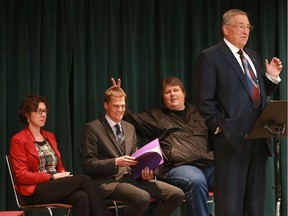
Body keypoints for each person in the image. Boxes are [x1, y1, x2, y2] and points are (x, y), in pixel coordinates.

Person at [195, 9, 282, 216]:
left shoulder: (252, 55)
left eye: (248, 27)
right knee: (231, 205)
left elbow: (254, 94)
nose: (246, 31)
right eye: (240, 26)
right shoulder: (210, 57)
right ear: (226, 29)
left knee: (254, 202)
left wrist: (270, 78)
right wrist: (221, 129)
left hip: (259, 138)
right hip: (231, 141)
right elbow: (204, 101)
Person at [112, 76, 215, 216]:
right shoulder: (157, 117)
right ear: (163, 97)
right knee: (196, 181)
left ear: (183, 93)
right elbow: (130, 118)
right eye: (168, 92)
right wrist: (118, 99)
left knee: (232, 176)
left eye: (175, 90)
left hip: (208, 166)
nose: (172, 94)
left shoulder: (200, 114)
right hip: (179, 168)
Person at [81, 86, 184, 216]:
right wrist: (115, 162)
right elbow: (88, 165)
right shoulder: (92, 128)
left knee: (177, 195)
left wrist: (144, 170)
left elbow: (135, 157)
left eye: (123, 106)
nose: (120, 110)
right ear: (106, 105)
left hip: (132, 179)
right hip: (109, 182)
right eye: (116, 106)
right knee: (142, 197)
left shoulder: (129, 127)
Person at [10, 96, 111, 216]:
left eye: (45, 111)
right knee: (85, 180)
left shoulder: (49, 136)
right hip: (35, 191)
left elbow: (59, 165)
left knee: (81, 196)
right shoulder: (18, 140)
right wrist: (52, 177)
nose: (43, 115)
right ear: (27, 114)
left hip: (54, 186)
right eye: (38, 111)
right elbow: (21, 176)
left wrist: (62, 174)